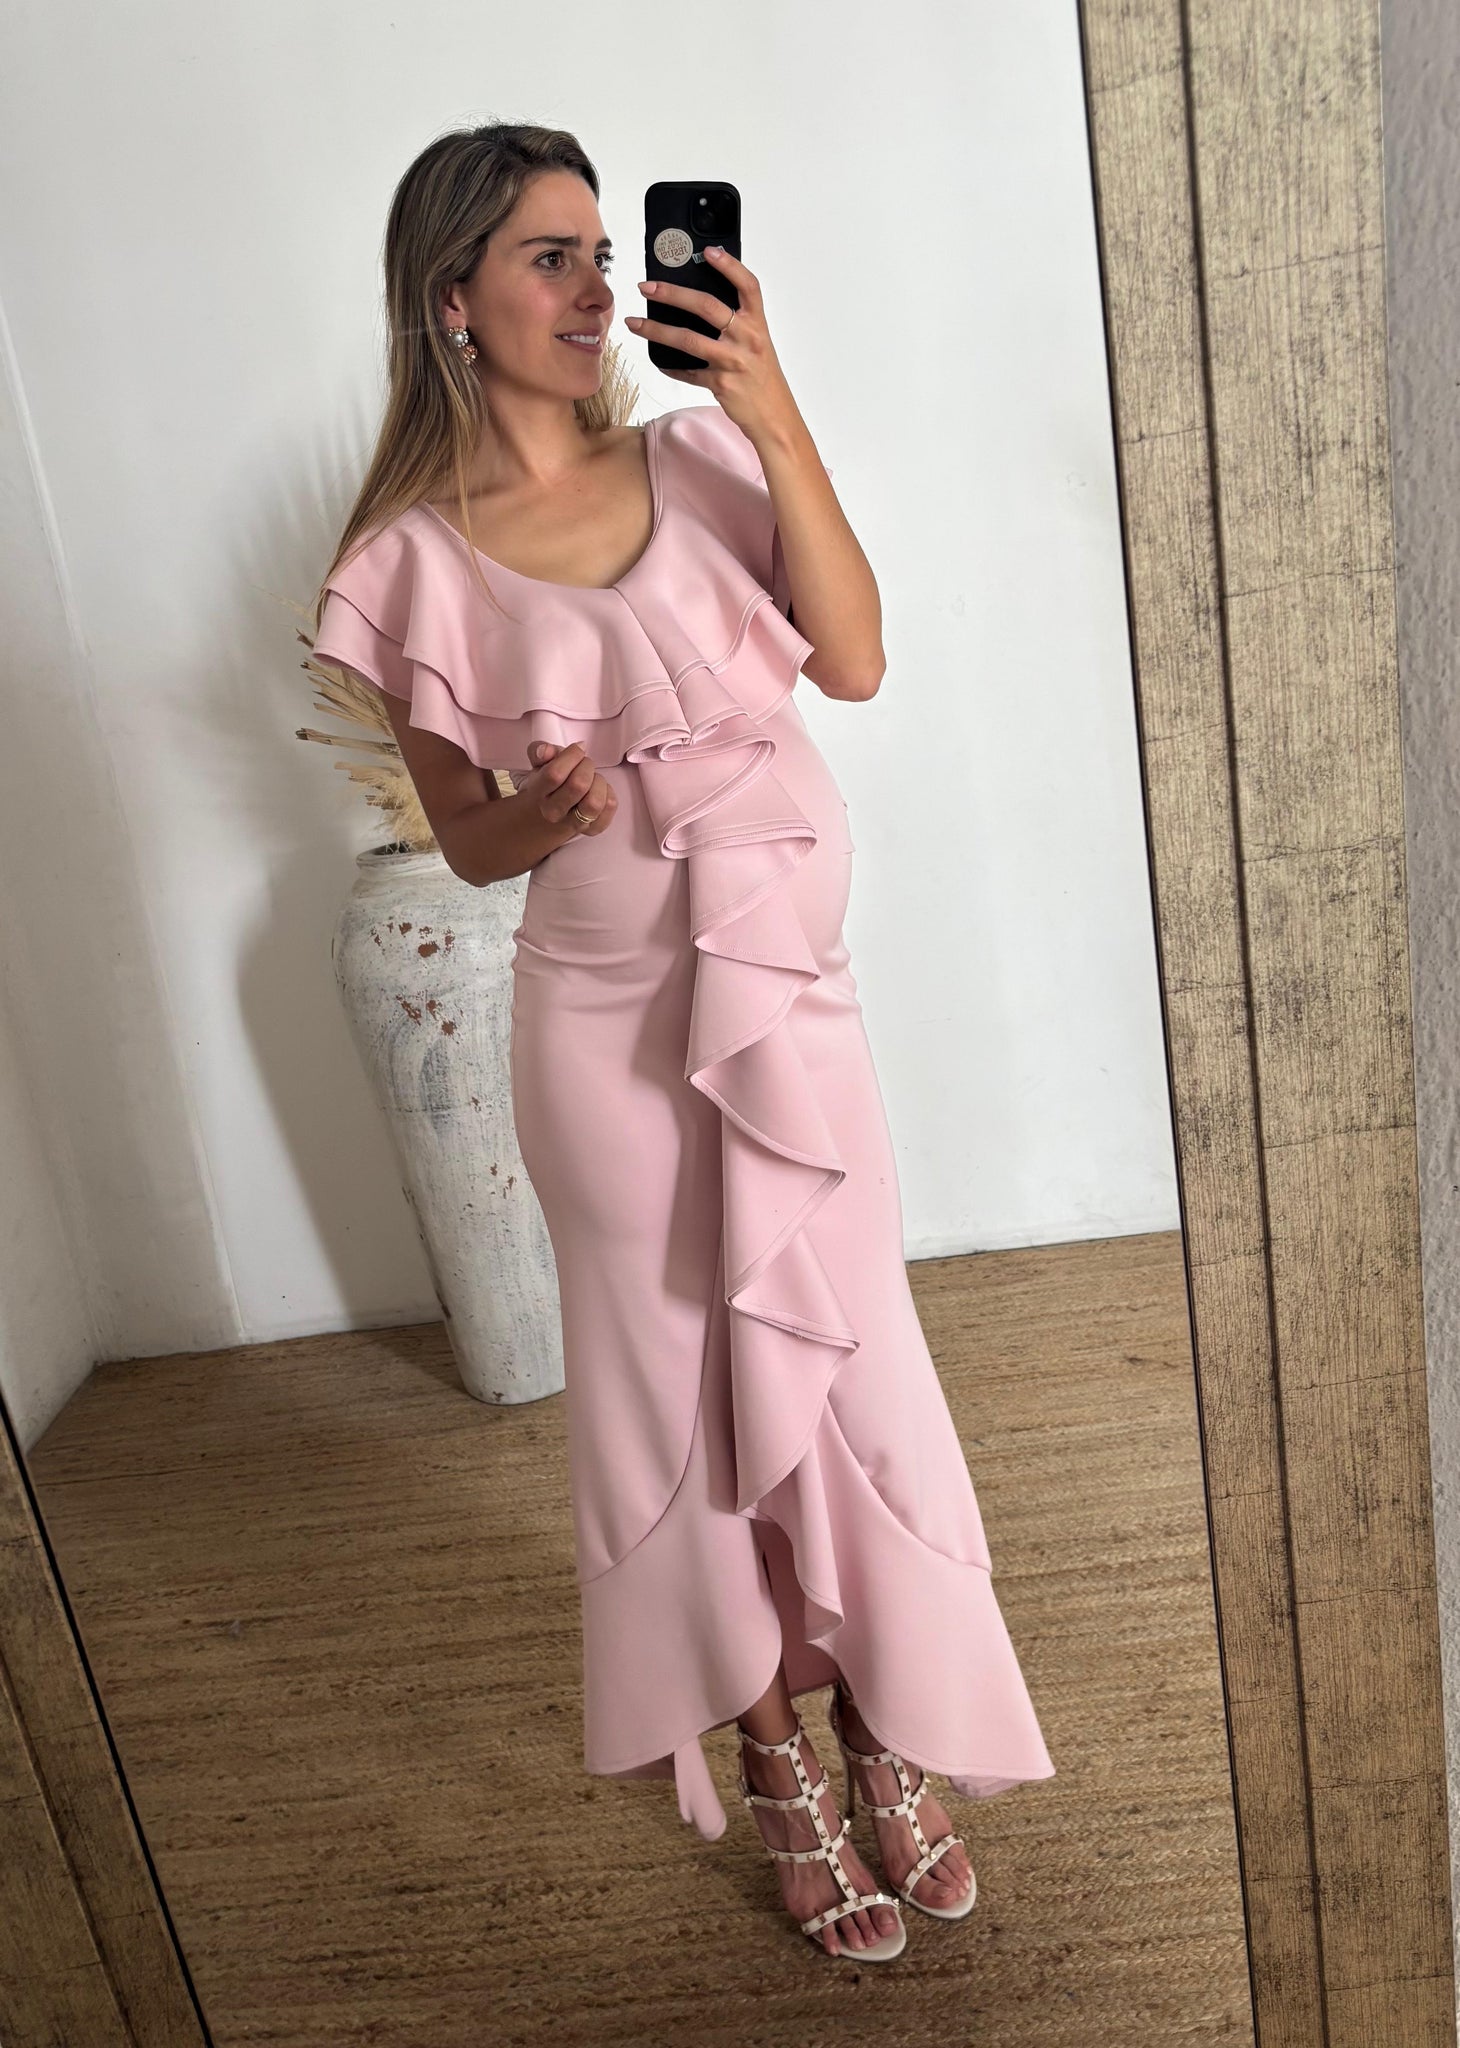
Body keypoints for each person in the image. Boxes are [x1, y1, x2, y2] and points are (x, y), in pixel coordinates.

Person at [310, 122, 1054, 1964]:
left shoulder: (709, 455)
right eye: (548, 257)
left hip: (792, 1005)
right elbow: (463, 838)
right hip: (602, 1031)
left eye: (600, 250)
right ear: (452, 299)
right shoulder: (408, 566)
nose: (595, 290)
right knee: (673, 1398)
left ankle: (892, 1731)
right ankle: (774, 1754)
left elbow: (854, 662)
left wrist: (773, 403)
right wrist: (541, 810)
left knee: (852, 1363)